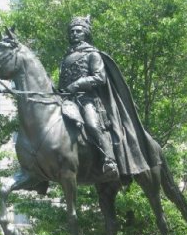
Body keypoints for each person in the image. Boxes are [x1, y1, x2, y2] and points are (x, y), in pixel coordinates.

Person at [59, 15, 161, 178]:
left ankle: (110, 160)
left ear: (85, 33)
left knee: (92, 125)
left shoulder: (92, 55)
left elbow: (100, 77)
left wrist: (77, 84)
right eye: (71, 31)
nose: (74, 34)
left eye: (78, 31)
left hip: (88, 100)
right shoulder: (65, 58)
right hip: (67, 100)